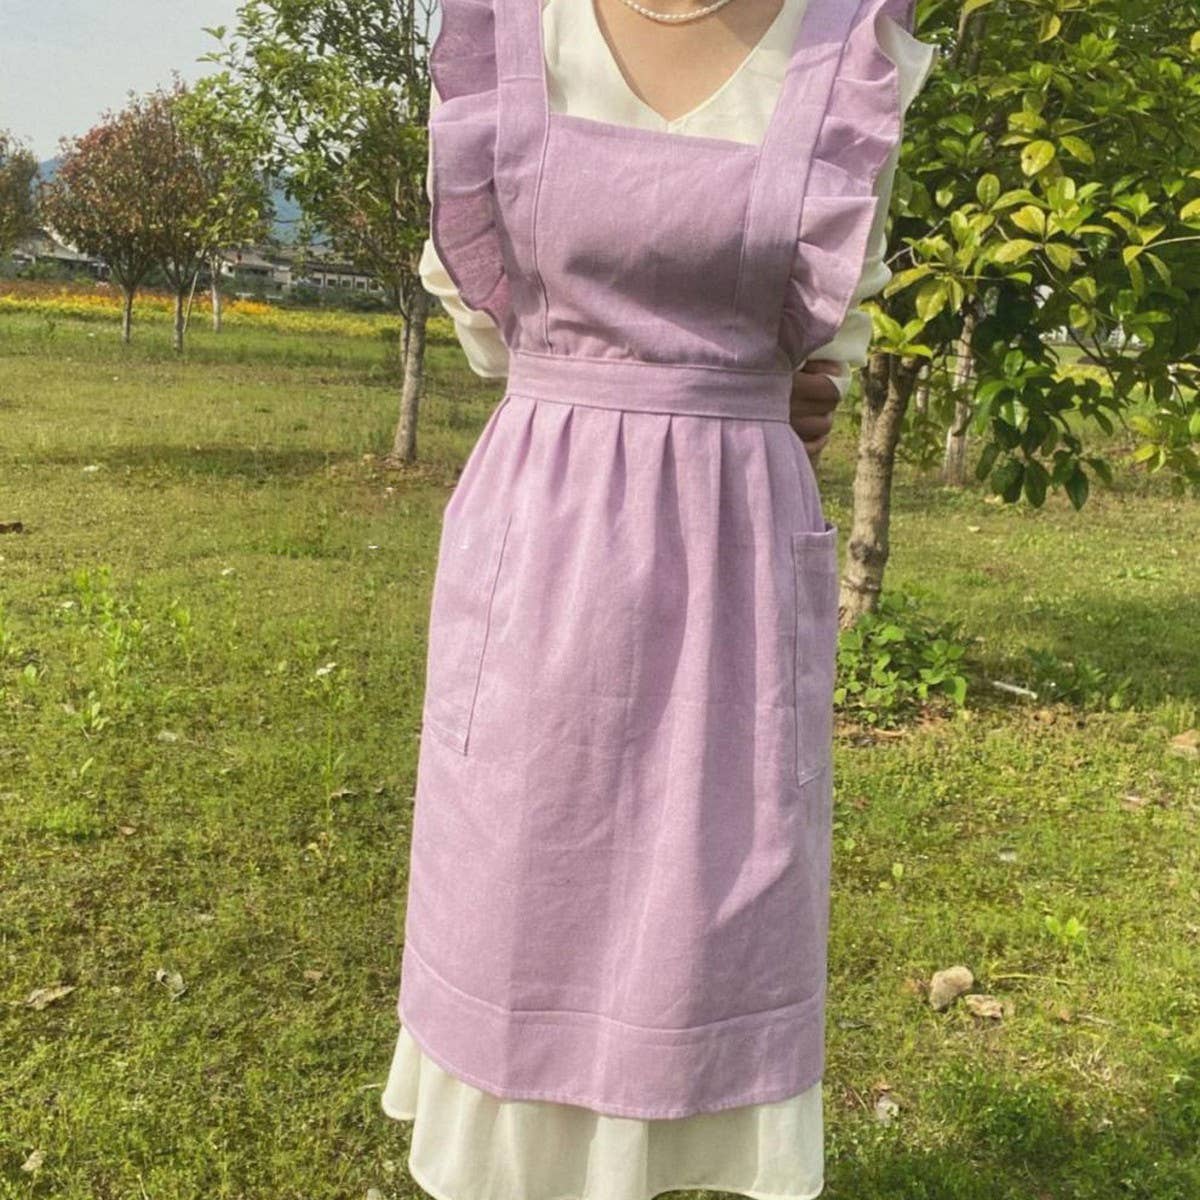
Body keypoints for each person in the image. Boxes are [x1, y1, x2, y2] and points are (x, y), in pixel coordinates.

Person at [382, 1, 936, 1197]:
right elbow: (482, 316)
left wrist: (742, 388)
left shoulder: (849, 43)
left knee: (715, 894)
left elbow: (830, 336)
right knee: (519, 892)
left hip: (729, 558)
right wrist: (724, 383)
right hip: (548, 548)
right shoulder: (508, 27)